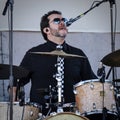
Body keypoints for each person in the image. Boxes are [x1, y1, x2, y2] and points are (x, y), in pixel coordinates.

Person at [13, 10, 97, 116]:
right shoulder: (33, 54)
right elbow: (16, 81)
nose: (62, 23)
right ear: (47, 30)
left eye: (64, 20)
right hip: (41, 115)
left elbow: (91, 83)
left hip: (72, 115)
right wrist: (14, 104)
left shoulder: (78, 54)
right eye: (57, 21)